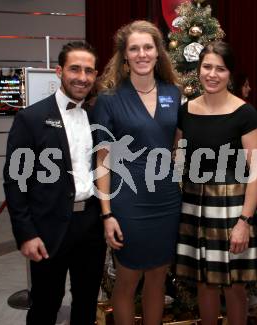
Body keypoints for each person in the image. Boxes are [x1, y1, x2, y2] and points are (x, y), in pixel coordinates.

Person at [3, 41, 105, 325]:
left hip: (91, 226)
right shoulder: (31, 118)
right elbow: (15, 180)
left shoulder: (97, 117)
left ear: (95, 75)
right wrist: (26, 233)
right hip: (47, 228)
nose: (81, 77)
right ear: (59, 71)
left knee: (86, 303)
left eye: (88, 71)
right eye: (74, 69)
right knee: (46, 305)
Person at [92, 20, 181, 325]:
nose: (142, 54)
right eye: (134, 48)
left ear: (158, 52)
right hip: (128, 201)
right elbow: (101, 161)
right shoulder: (109, 99)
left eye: (148, 47)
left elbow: (175, 147)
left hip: (167, 201)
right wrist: (107, 214)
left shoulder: (174, 93)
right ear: (124, 55)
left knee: (158, 277)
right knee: (128, 279)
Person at [175, 41, 257, 325]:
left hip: (233, 207)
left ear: (230, 74)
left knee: (235, 285)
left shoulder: (245, 113)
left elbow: (256, 173)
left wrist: (244, 221)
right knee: (204, 282)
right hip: (194, 205)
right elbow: (176, 160)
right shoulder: (185, 111)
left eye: (220, 69)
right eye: (207, 67)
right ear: (199, 69)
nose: (212, 74)